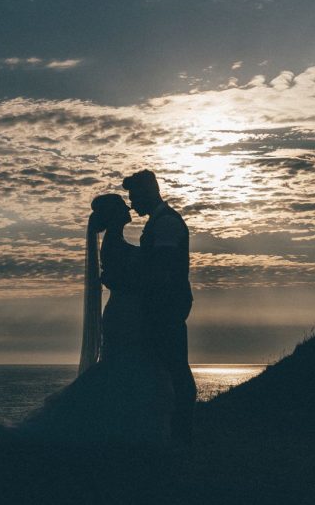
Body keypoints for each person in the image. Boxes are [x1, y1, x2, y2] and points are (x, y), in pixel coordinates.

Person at [0, 192, 174, 447]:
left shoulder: (116, 241)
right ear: (113, 215)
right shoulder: (112, 244)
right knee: (122, 365)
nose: (128, 207)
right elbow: (122, 278)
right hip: (124, 314)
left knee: (126, 366)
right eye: (122, 205)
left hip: (129, 311)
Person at [122, 170, 196, 446]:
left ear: (148, 193)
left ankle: (182, 431)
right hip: (164, 303)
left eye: (135, 198)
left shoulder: (166, 224)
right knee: (166, 364)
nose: (132, 205)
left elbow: (163, 268)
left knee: (175, 365)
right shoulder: (159, 221)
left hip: (168, 304)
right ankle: (173, 428)